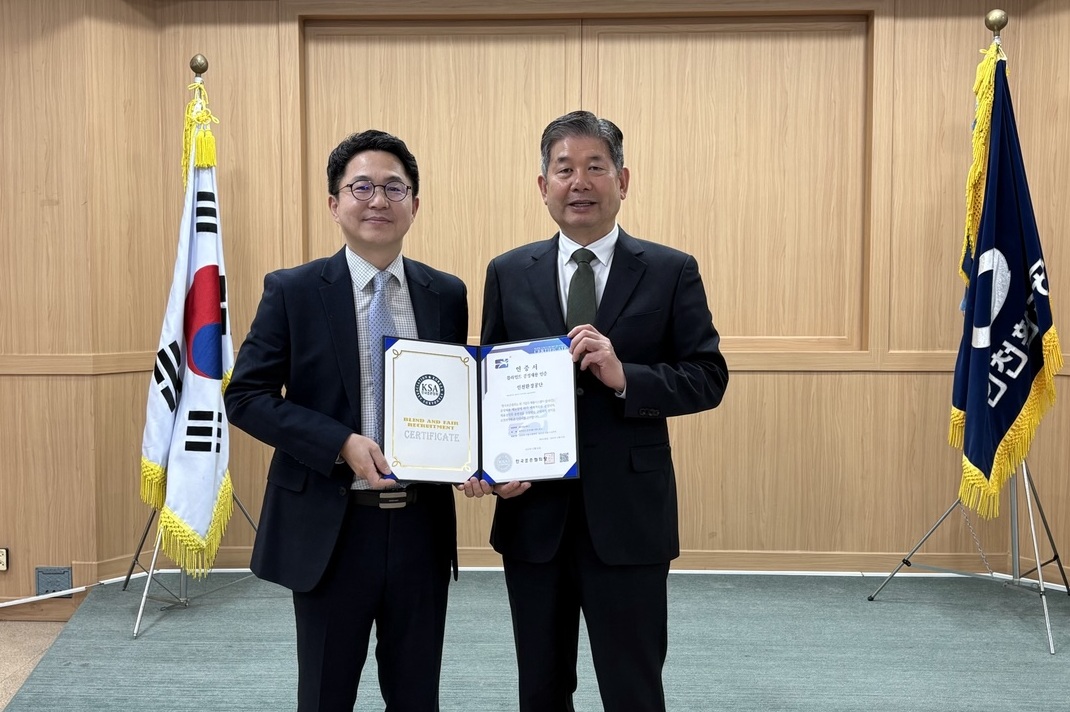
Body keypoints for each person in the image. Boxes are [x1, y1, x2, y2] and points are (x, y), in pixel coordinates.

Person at [461, 110, 729, 711]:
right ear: (543, 187)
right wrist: (485, 461)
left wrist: (624, 376)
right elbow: (490, 386)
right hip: (534, 515)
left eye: (594, 167)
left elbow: (709, 377)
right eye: (564, 169)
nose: (578, 182)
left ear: (623, 180)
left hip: (629, 519)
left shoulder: (669, 270)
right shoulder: (507, 272)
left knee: (632, 685)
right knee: (541, 685)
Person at [226, 130, 468, 711]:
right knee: (325, 696)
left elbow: (453, 400)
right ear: (335, 203)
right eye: (361, 186)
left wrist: (473, 457)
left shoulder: (447, 294)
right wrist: (339, 443)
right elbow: (247, 396)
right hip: (330, 529)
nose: (378, 200)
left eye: (394, 187)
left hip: (420, 526)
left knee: (417, 696)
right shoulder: (293, 290)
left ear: (416, 202)